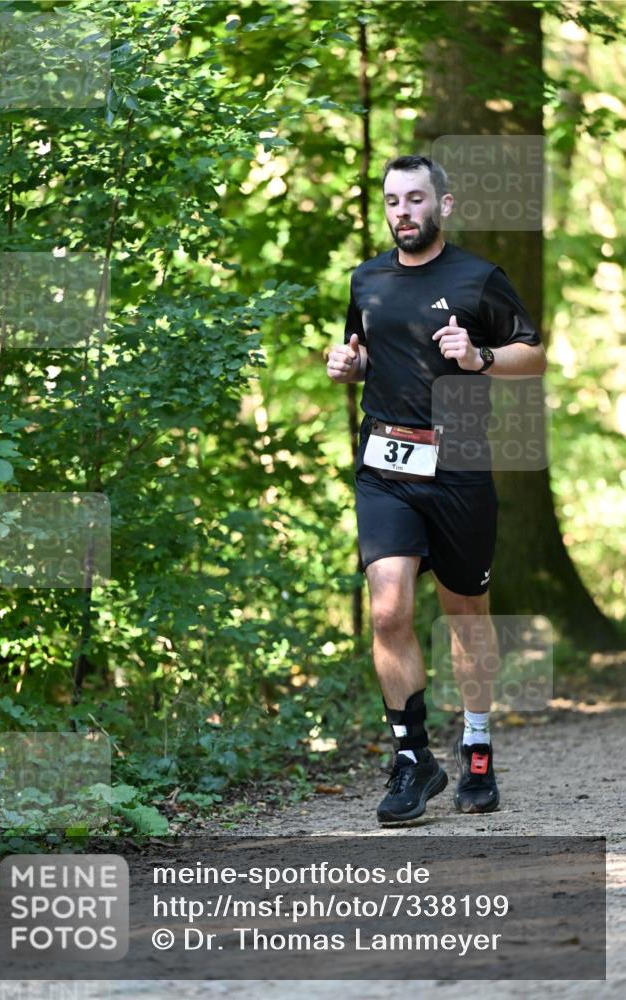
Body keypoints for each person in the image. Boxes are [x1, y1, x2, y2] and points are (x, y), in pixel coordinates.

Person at [327, 154, 546, 825]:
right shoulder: (366, 279)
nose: (403, 213)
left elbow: (531, 353)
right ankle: (411, 758)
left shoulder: (477, 278)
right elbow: (362, 353)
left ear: (442, 206)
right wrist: (349, 365)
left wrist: (478, 357)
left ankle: (476, 748)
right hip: (385, 466)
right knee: (388, 609)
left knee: (465, 615)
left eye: (415, 200)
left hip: (458, 467)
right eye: (393, 201)